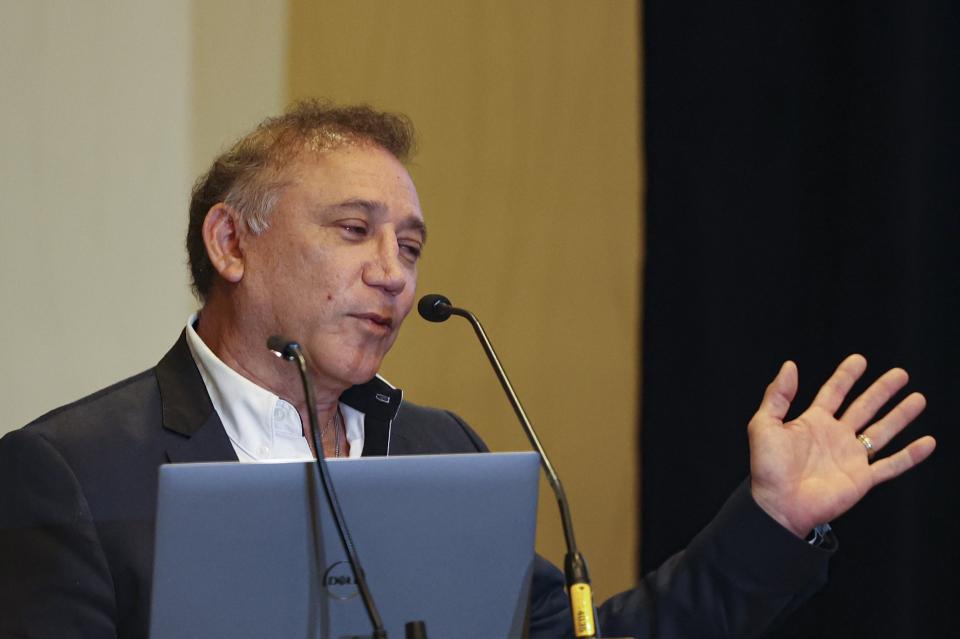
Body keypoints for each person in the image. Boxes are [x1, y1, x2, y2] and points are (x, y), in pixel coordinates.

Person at [0, 100, 936, 638]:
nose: (394, 274)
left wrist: (769, 523)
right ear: (230, 243)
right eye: (355, 230)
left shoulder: (436, 449)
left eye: (410, 245)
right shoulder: (71, 471)